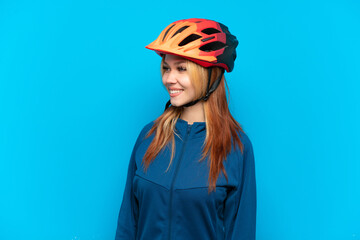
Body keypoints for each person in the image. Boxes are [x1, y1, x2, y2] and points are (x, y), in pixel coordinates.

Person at [115, 18, 256, 240]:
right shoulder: (149, 137)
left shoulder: (236, 148)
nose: (169, 79)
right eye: (166, 68)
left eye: (181, 68)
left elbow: (241, 231)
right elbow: (127, 222)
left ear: (210, 74)